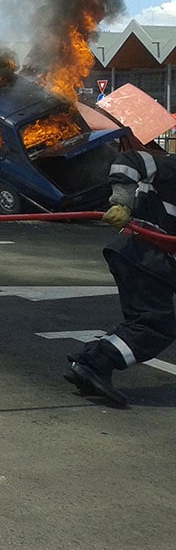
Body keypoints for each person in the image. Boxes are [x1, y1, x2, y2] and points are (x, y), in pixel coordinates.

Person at [65, 149, 176, 407]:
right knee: (155, 325)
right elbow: (132, 159)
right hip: (143, 252)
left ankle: (88, 360)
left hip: (144, 257)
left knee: (145, 320)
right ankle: (97, 363)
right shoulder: (172, 167)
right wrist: (122, 201)